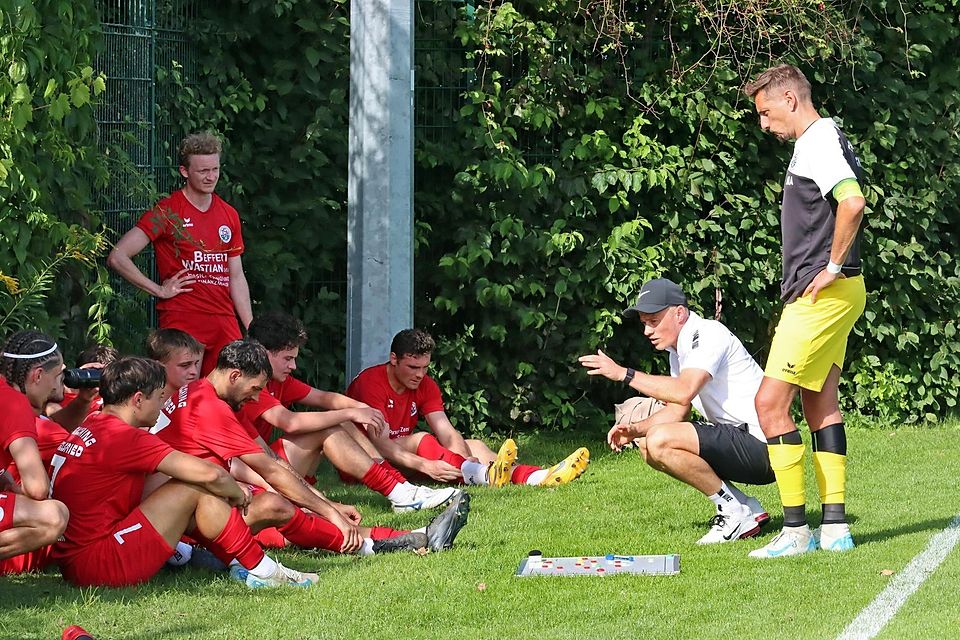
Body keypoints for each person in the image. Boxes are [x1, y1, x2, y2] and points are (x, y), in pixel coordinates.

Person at [150, 339, 469, 558]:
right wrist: (328, 510)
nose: (255, 396)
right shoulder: (209, 407)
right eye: (255, 389)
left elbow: (267, 460)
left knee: (286, 507)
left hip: (203, 499)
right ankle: (385, 541)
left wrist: (322, 501)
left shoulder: (205, 393)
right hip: (185, 519)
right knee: (278, 508)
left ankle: (410, 533)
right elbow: (269, 467)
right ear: (235, 375)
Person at [50, 356, 318, 588]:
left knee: (183, 480)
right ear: (138, 400)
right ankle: (265, 571)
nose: (161, 405)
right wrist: (237, 493)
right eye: (159, 397)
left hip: (76, 561)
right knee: (195, 485)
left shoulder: (95, 421)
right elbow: (211, 475)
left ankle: (240, 563)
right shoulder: (125, 437)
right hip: (98, 564)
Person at [744, 64, 866, 558]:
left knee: (769, 405)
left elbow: (852, 203)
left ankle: (796, 531)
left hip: (820, 297)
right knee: (820, 403)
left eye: (766, 112)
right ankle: (834, 527)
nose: (764, 124)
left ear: (790, 99)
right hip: (836, 295)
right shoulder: (821, 139)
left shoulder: (818, 142)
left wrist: (833, 265)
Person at [579, 278, 775, 544]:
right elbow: (678, 411)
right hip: (745, 442)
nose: (648, 330)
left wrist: (623, 373)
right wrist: (634, 430)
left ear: (679, 313)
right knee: (650, 445)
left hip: (765, 446)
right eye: (645, 323)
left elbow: (684, 390)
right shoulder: (678, 350)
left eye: (654, 321)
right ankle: (743, 506)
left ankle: (733, 512)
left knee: (660, 440)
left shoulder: (707, 333)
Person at [242, 312, 460, 513]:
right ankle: (399, 490)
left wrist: (360, 408)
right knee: (331, 427)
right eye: (288, 358)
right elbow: (289, 422)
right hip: (249, 475)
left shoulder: (274, 380)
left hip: (261, 467)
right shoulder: (248, 384)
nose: (294, 366)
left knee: (341, 423)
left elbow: (325, 397)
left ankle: (405, 488)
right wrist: (351, 414)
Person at [347, 329, 590, 488]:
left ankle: (536, 476)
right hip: (366, 459)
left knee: (473, 444)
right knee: (422, 439)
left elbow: (446, 429)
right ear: (393, 359)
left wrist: (463, 457)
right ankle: (484, 474)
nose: (420, 374)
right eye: (413, 367)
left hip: (401, 455)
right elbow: (379, 443)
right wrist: (424, 465)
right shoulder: (371, 383)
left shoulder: (425, 384)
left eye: (425, 367)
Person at [107, 132, 252, 376]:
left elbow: (236, 275)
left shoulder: (229, 214)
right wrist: (159, 290)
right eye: (203, 171)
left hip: (223, 321)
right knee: (179, 397)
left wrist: (250, 326)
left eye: (215, 169)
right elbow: (118, 256)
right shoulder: (167, 212)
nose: (211, 176)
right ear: (184, 172)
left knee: (232, 392)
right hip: (183, 319)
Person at [0, 331, 70, 575]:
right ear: (38, 375)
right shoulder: (13, 402)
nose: (55, 386)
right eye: (57, 376)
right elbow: (38, 488)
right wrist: (16, 489)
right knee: (54, 516)